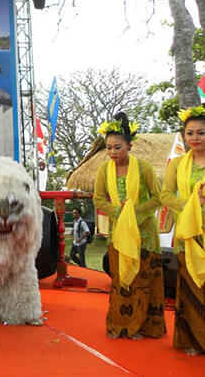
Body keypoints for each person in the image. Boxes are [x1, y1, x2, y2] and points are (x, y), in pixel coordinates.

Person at [93, 112, 165, 340]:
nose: (113, 152)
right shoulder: (104, 170)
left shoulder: (144, 169)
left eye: (118, 147)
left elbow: (158, 197)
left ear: (129, 146)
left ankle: (143, 326)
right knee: (121, 279)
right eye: (109, 147)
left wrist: (134, 212)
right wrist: (119, 213)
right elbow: (98, 199)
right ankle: (120, 325)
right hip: (119, 232)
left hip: (144, 233)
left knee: (143, 281)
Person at [160, 104, 205, 355]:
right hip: (187, 234)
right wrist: (190, 204)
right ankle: (193, 340)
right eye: (190, 133)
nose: (195, 138)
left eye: (201, 133)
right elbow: (166, 195)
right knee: (189, 289)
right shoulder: (177, 165)